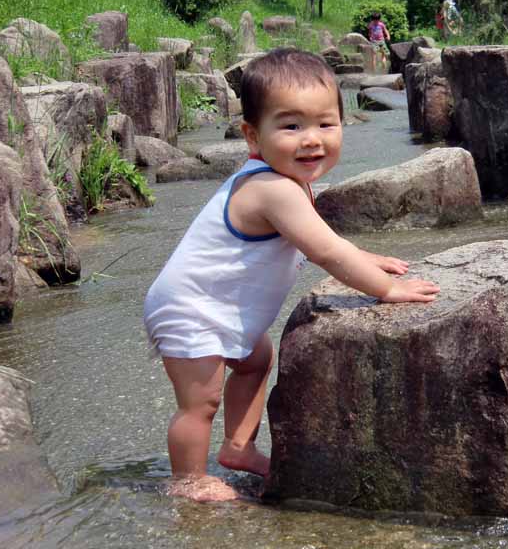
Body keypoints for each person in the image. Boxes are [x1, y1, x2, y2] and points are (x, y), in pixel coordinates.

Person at [143, 48, 440, 503]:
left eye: (325, 124)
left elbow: (326, 239)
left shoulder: (287, 182)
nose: (311, 140)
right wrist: (387, 289)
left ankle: (238, 447)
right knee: (199, 403)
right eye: (290, 126)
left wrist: (365, 255)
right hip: (190, 309)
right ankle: (187, 480)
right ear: (252, 137)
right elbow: (326, 251)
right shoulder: (271, 188)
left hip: (219, 307)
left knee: (256, 359)